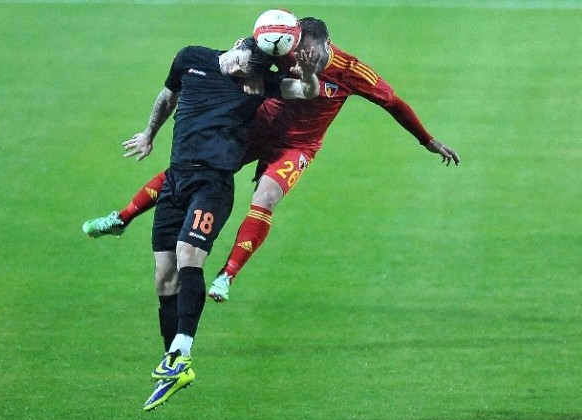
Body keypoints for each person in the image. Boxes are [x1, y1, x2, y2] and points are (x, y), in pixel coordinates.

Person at [82, 17, 460, 301]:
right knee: (197, 166)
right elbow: (241, 53)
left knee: (265, 197)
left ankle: (227, 275)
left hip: (297, 148)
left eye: (310, 55)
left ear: (327, 46)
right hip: (258, 126)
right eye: (299, 54)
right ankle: (122, 218)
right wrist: (248, 74)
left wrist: (426, 140)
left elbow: (393, 103)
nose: (303, 60)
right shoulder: (281, 46)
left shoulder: (350, 71)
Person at [124, 36, 320, 411]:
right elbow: (167, 96)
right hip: (176, 180)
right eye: (241, 64)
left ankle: (183, 350)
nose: (240, 73)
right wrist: (149, 133)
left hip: (212, 185)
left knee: (188, 254)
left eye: (248, 71)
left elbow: (305, 92)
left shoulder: (260, 81)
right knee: (164, 277)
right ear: (235, 45)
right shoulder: (190, 58)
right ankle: (173, 364)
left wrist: (310, 73)